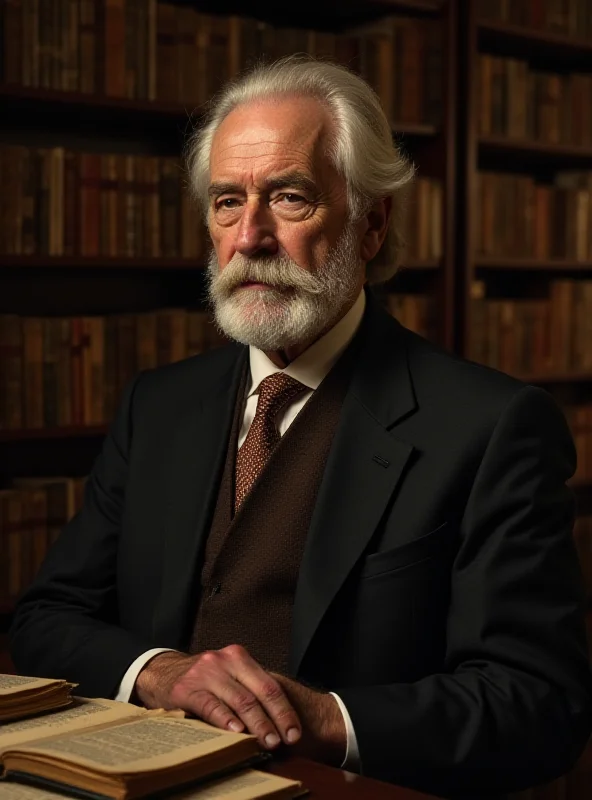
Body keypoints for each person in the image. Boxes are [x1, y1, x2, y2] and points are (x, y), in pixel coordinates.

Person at [10, 56, 592, 799]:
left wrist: (321, 718)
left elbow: (540, 706)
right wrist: (159, 672)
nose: (249, 236)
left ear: (372, 224)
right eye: (227, 201)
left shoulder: (492, 426)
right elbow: (46, 617)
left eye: (289, 198)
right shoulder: (156, 406)